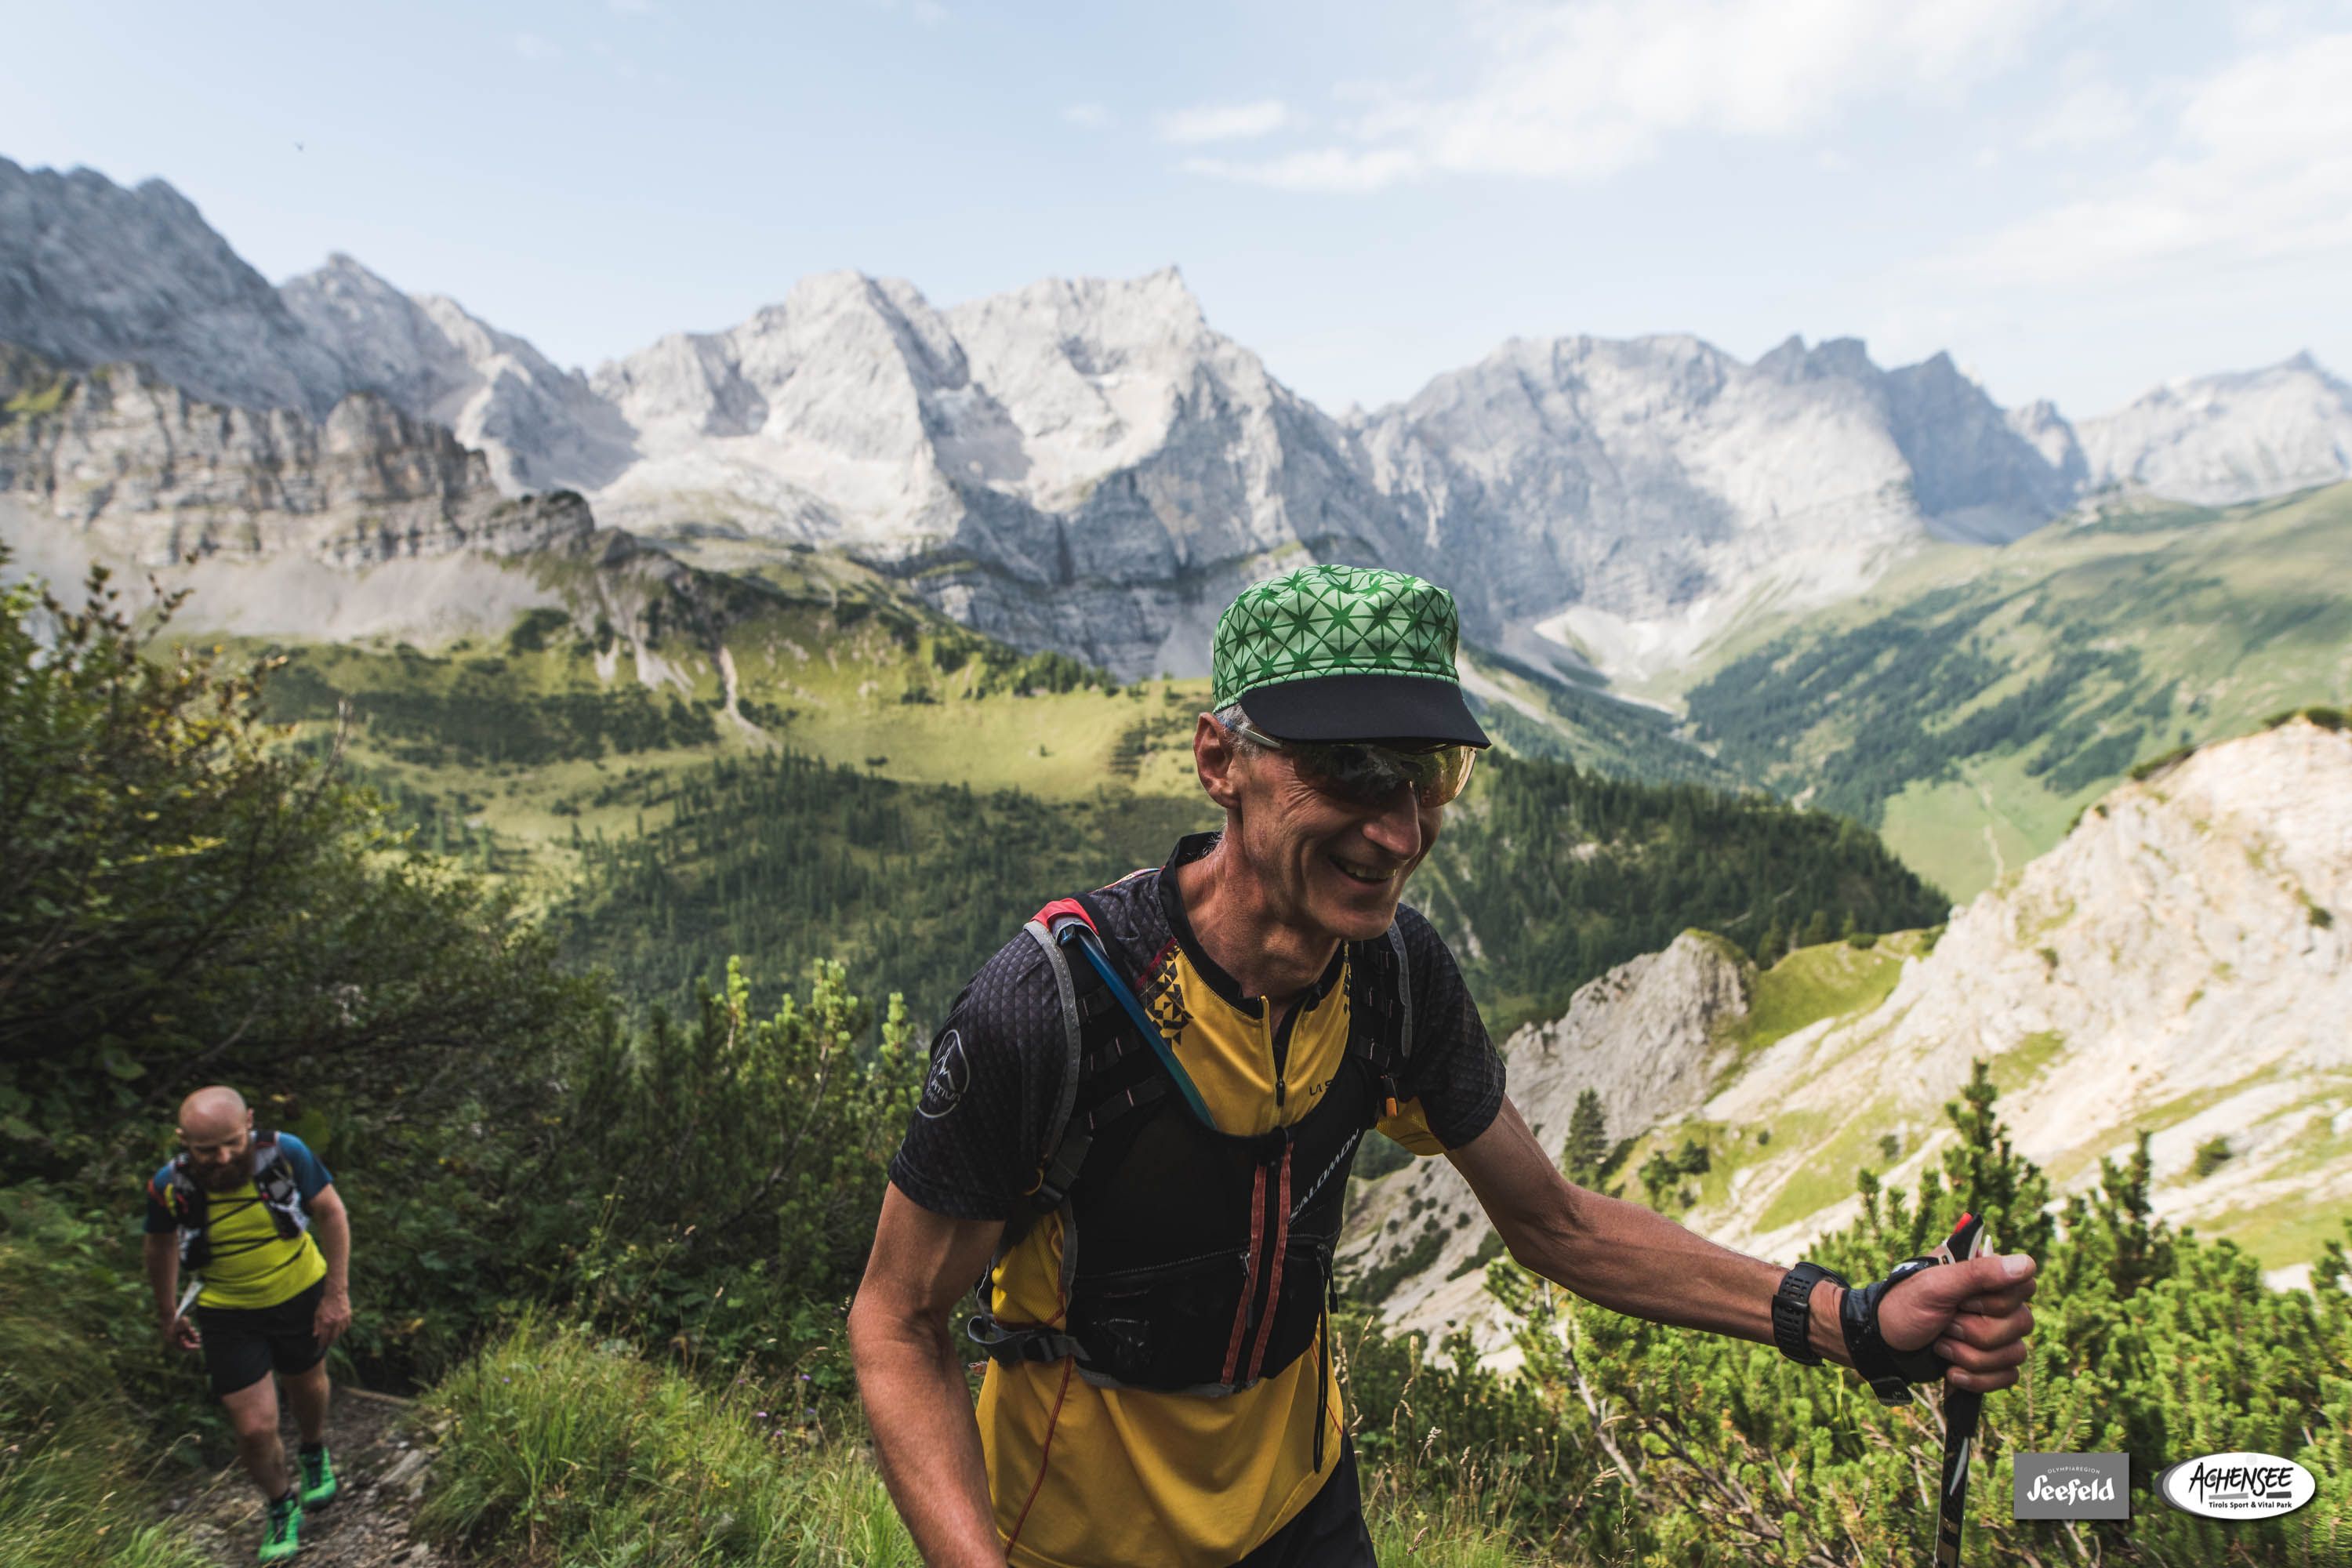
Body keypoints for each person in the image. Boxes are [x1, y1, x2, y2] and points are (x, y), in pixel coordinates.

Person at [849, 564, 2038, 1568]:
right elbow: (898, 1324)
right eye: (1353, 775)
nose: (1402, 832)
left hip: (1307, 1516)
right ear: (1222, 762)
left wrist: (1863, 1321)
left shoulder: (1393, 977)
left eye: (1430, 777)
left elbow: (1557, 1227)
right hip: (1075, 1540)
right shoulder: (1053, 1005)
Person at [144, 1086, 352, 1564]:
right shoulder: (169, 1185)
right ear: (183, 1141)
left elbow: (331, 1212)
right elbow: (158, 1247)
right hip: (227, 1311)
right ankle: (281, 1504)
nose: (222, 1157)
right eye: (206, 1150)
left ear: (249, 1124)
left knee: (308, 1385)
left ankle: (314, 1450)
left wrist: (335, 1295)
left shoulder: (285, 1153)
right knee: (255, 1427)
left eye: (232, 1143)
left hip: (300, 1292)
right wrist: (167, 1312)